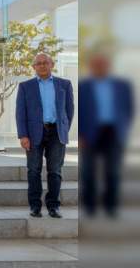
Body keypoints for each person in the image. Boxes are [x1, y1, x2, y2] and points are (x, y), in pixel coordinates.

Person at [15, 52, 74, 219]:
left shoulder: (64, 84)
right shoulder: (26, 86)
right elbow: (20, 113)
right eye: (38, 63)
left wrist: (63, 129)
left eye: (45, 62)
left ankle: (53, 206)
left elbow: (69, 110)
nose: (42, 65)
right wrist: (23, 135)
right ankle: (35, 206)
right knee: (33, 170)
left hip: (57, 133)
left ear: (51, 64)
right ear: (33, 67)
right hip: (33, 134)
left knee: (55, 171)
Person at [79, 52, 132, 217]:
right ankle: (90, 207)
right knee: (88, 172)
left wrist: (123, 129)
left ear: (108, 66)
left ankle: (111, 207)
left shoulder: (122, 85)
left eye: (102, 64)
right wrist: (80, 134)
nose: (99, 67)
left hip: (113, 132)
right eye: (96, 64)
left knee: (113, 172)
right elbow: (78, 111)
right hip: (89, 133)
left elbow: (129, 109)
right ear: (91, 66)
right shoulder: (84, 86)